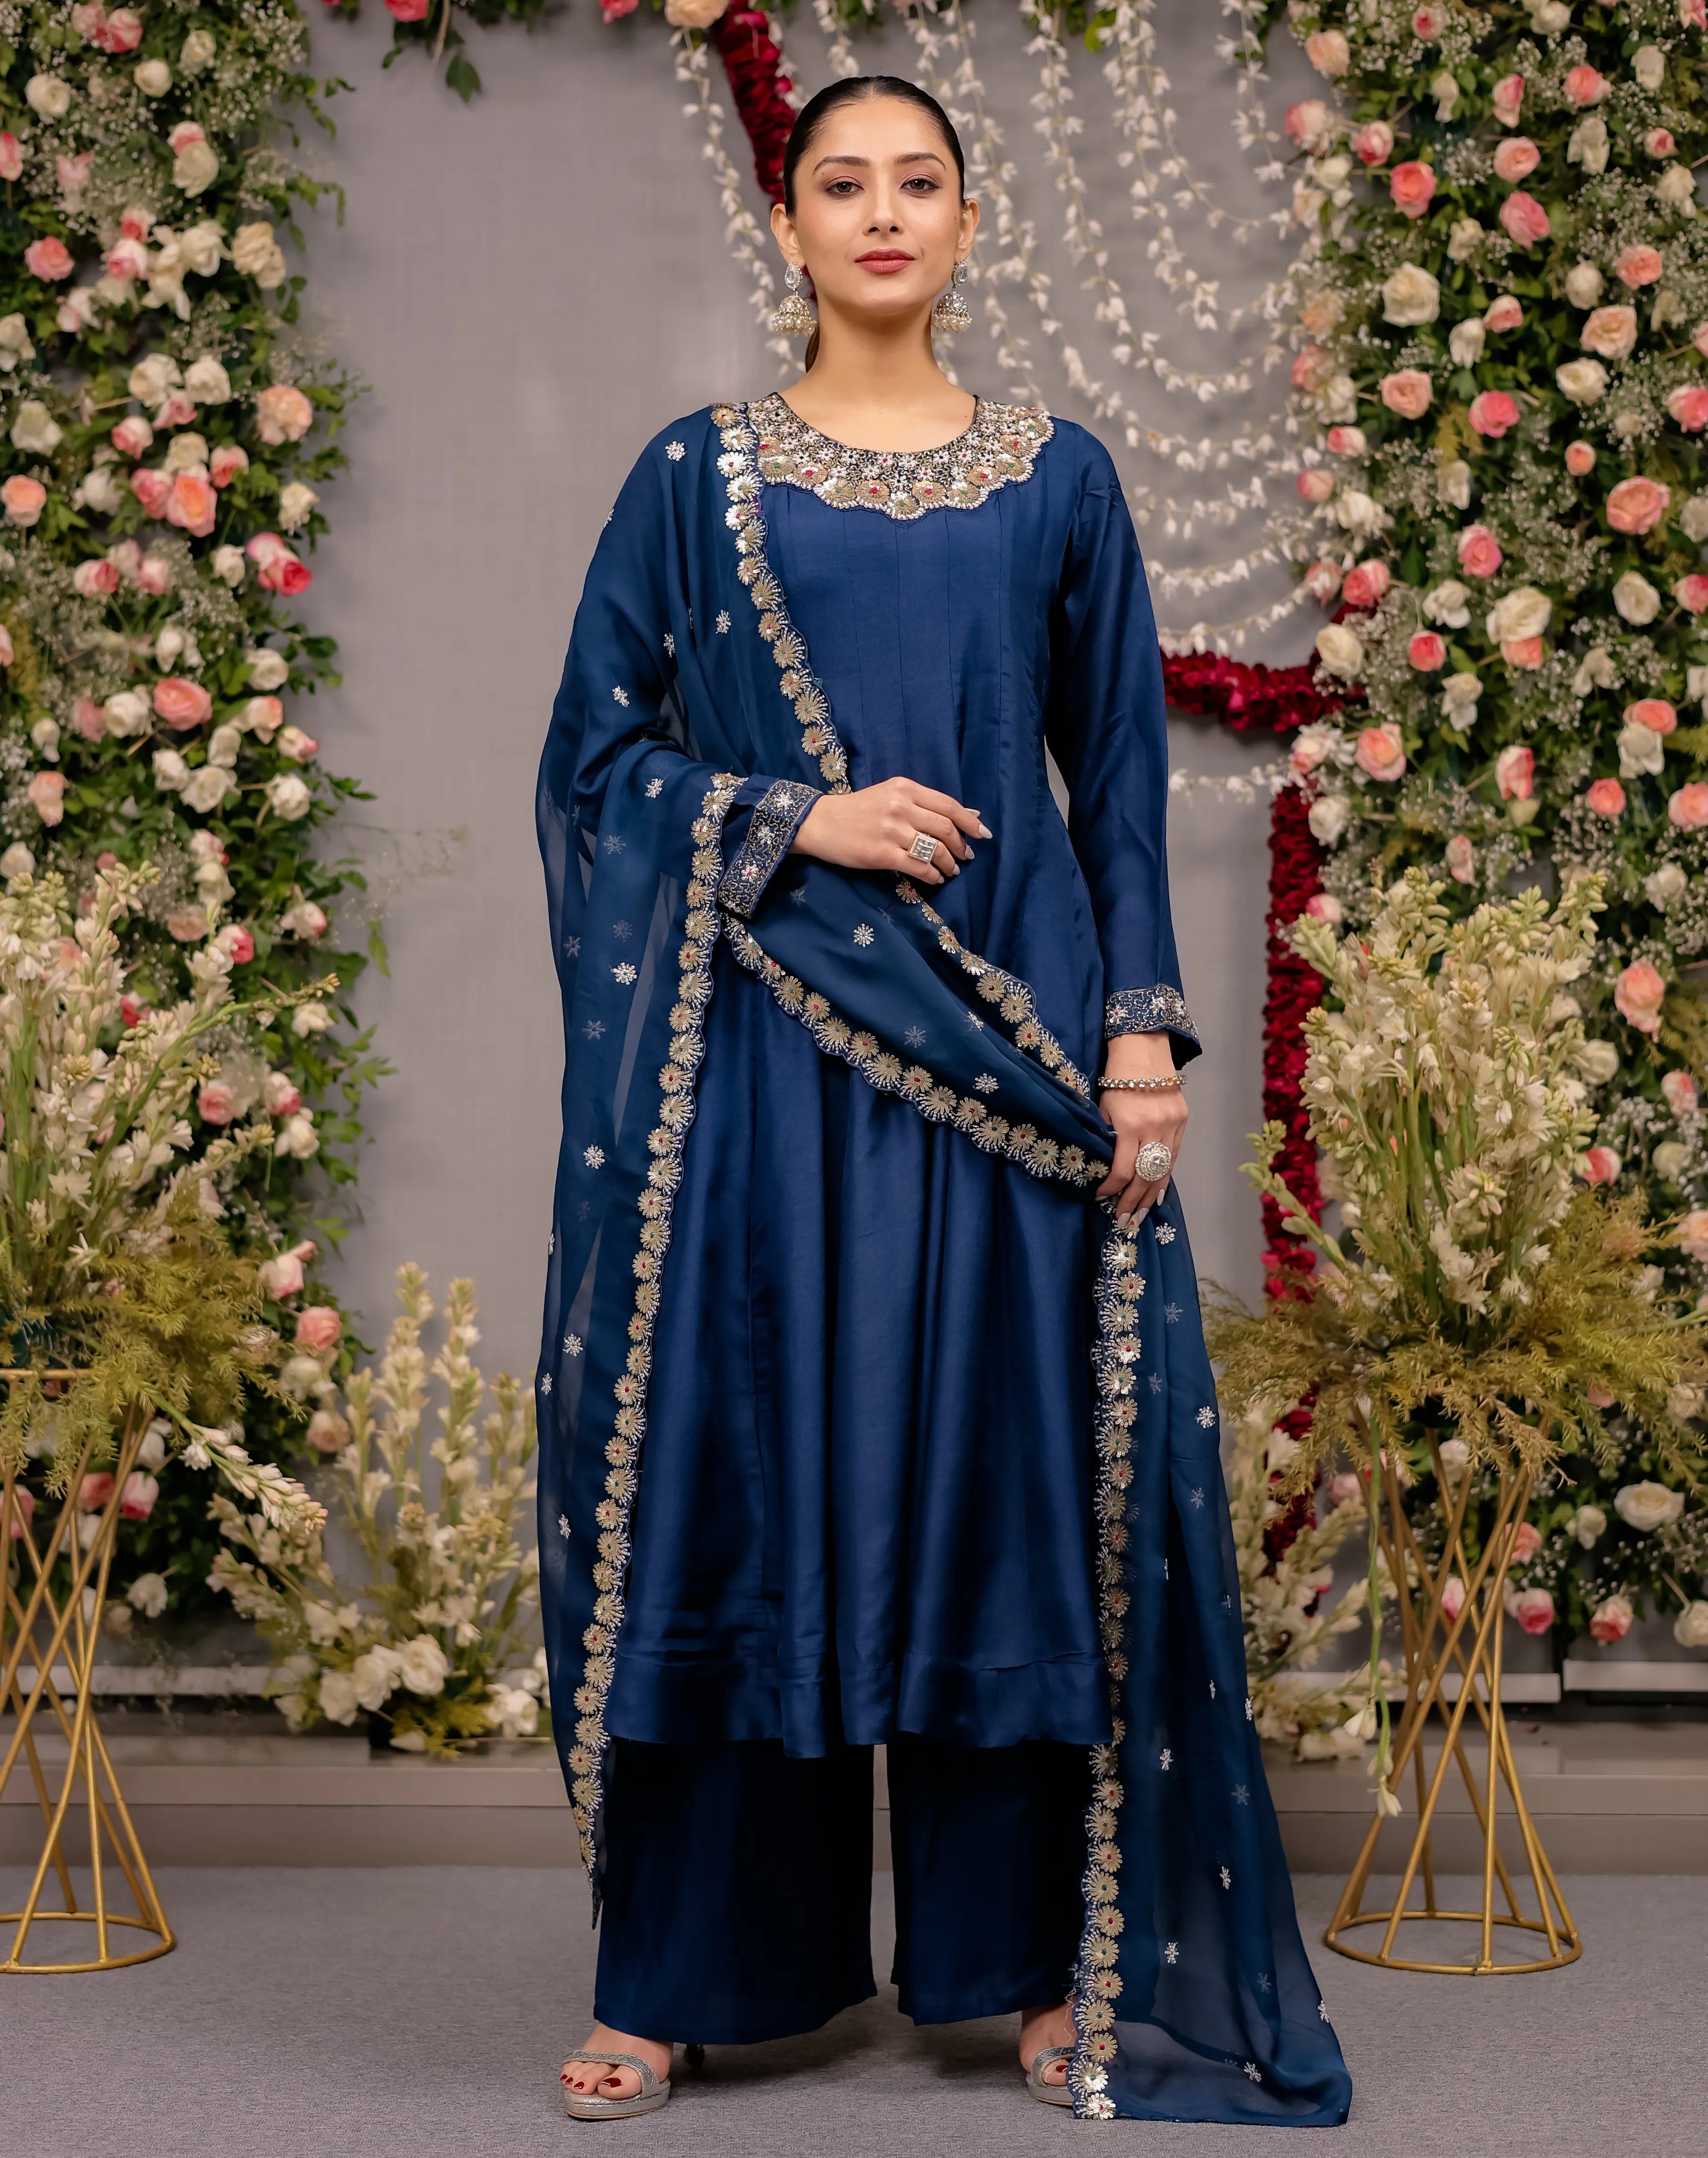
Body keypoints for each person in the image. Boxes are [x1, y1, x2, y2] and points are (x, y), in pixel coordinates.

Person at [536, 75, 1351, 2127]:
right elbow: (594, 764)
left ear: (965, 223)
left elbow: (1112, 775)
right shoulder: (696, 478)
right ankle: (690, 1974)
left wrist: (1142, 1032)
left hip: (1016, 1070)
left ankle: (1029, 1969)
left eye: (916, 184)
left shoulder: (1056, 477)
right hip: (773, 1071)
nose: (880, 215)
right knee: (761, 1482)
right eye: (841, 185)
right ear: (788, 227)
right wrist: (797, 813)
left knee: (1004, 1502)